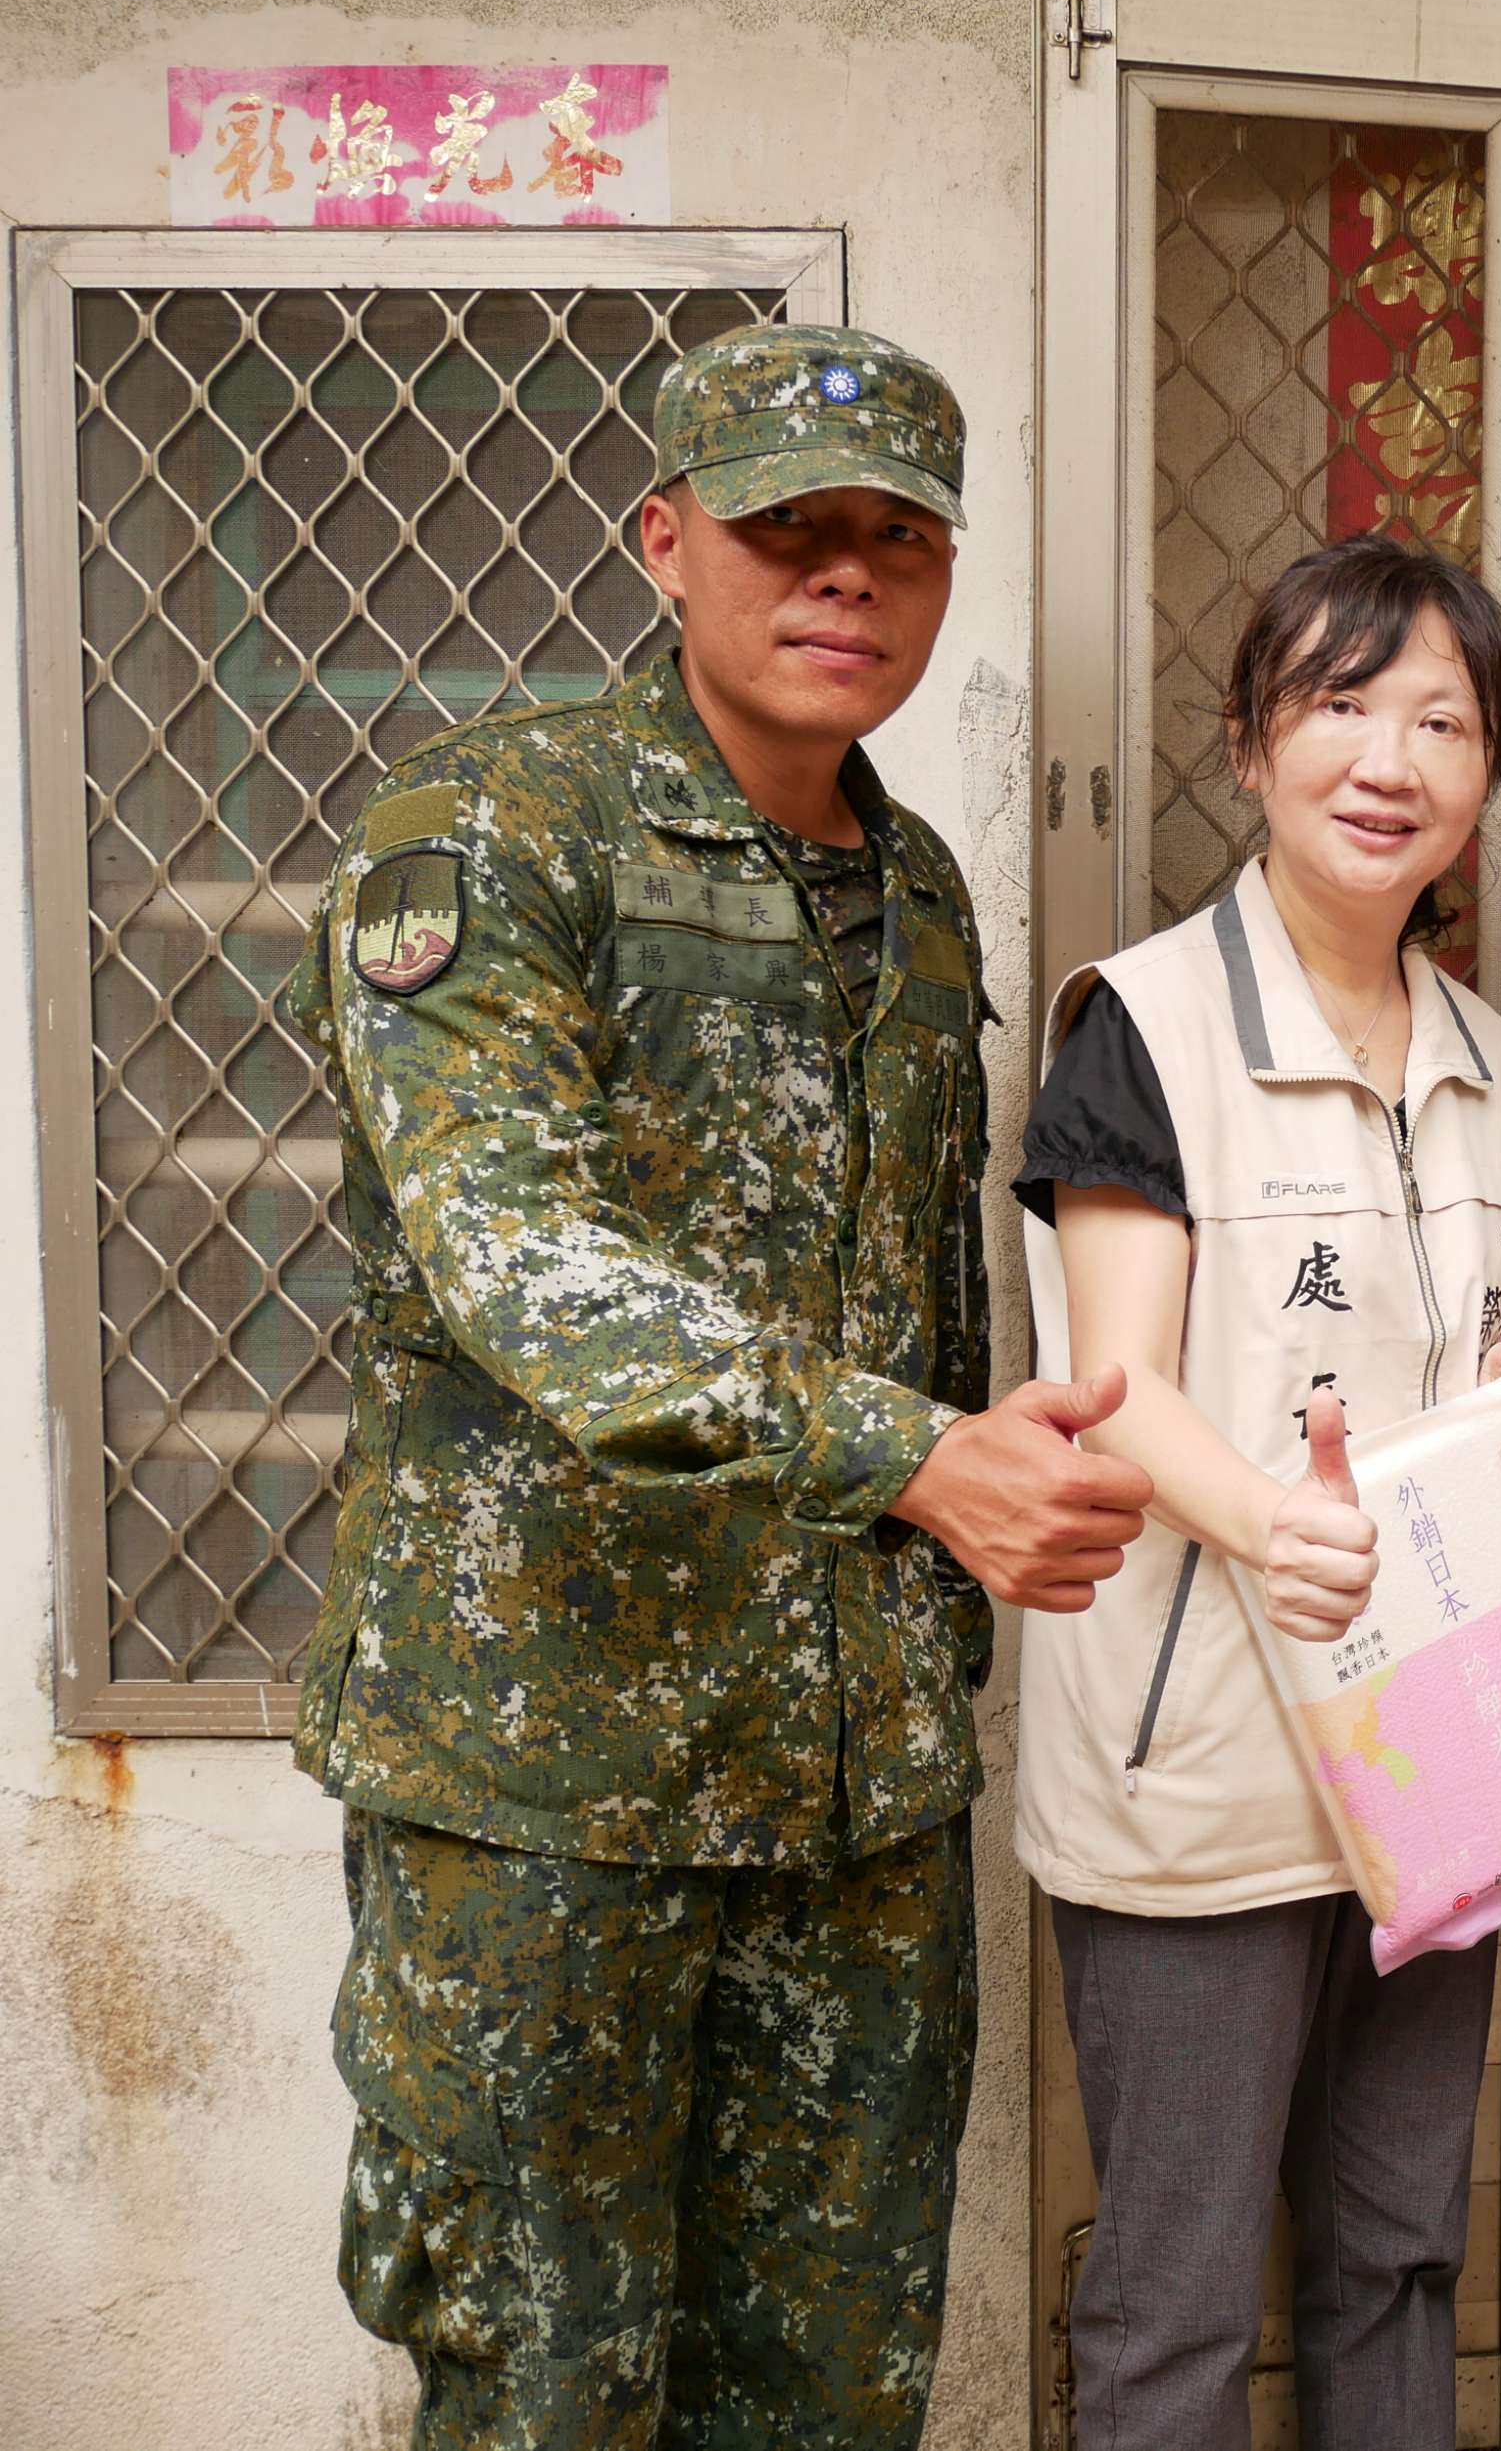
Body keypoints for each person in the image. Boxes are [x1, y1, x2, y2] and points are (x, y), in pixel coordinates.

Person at [286, 323, 1155, 2448]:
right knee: (544, 2382)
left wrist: (974, 1498)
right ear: (668, 541)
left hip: (847, 1800)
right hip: (546, 1788)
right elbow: (527, 1263)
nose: (844, 581)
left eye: (894, 540)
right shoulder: (485, 831)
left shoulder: (922, 889)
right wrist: (925, 1461)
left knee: (834, 2388)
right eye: (787, 530)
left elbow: (919, 1289)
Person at [1012, 533, 1501, 2451]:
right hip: (1206, 1765)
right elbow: (1111, 1397)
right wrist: (1269, 1521)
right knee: (1177, 2299)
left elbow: (1454, 1363)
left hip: (1433, 1757)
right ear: (1254, 744)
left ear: (1485, 779)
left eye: (1442, 719)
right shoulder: (1146, 1021)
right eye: (1342, 704)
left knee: (1400, 2254)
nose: (1390, 757)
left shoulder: (1488, 1061)